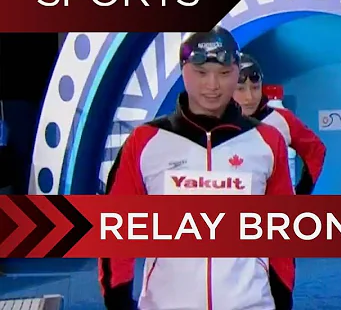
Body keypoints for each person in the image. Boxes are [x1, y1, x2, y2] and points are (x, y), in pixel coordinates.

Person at [99, 27, 295, 310]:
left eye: (225, 73)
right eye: (201, 73)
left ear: (237, 71)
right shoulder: (145, 143)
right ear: (183, 70)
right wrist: (118, 303)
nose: (213, 85)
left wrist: (283, 302)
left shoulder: (267, 141)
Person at [232, 53, 326, 195]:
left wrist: (302, 192)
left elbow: (316, 150)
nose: (249, 97)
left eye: (255, 87)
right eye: (240, 89)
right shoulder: (212, 123)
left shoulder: (281, 118)